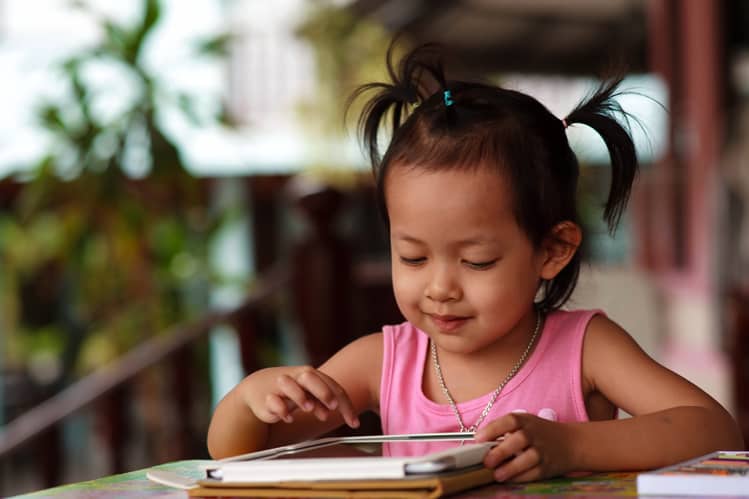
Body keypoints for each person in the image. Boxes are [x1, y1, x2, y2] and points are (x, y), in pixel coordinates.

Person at [207, 43, 743, 482]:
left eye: (478, 261)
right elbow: (235, 456)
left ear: (552, 250)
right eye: (412, 257)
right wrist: (248, 402)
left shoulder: (586, 351)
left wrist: (573, 445)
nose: (440, 287)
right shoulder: (382, 363)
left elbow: (715, 432)